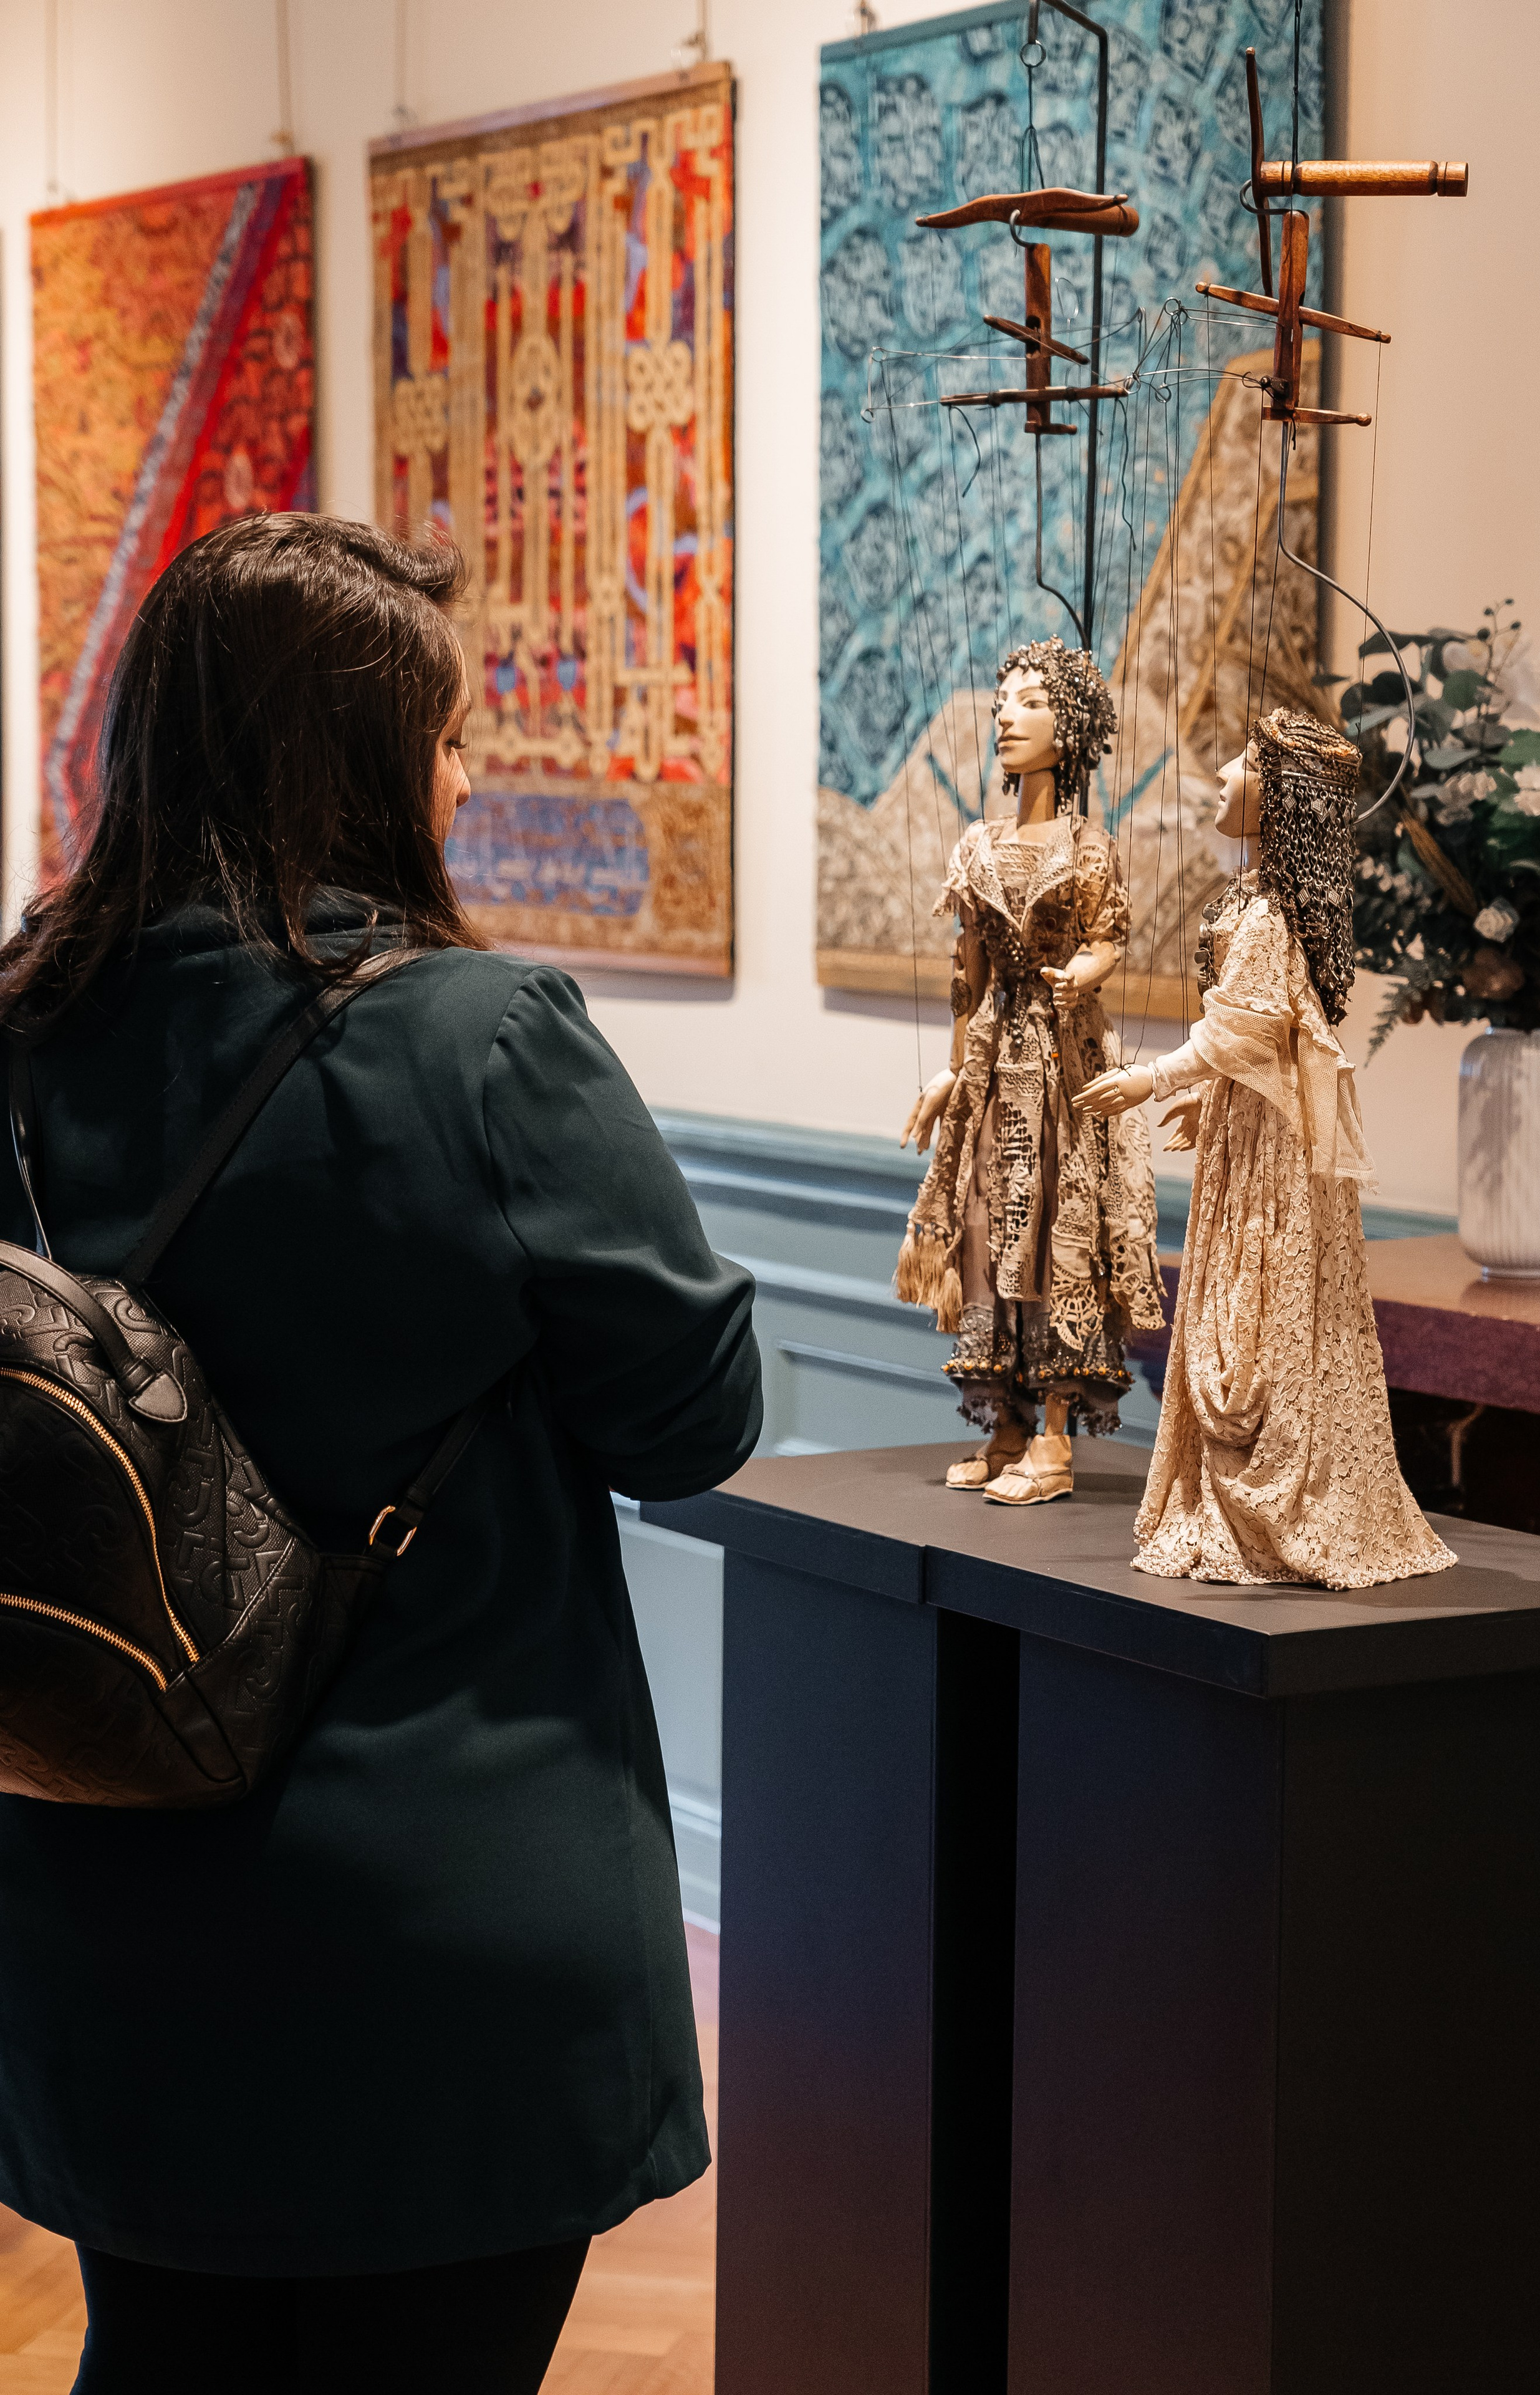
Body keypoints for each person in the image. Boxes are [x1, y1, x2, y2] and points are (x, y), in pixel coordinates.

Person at [0, 513, 762, 2391]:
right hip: (437, 1919)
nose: (469, 765)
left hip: (107, 1894)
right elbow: (693, 1420)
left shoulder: (21, 1038)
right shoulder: (483, 1043)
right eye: (443, 727)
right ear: (349, 758)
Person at [1077, 709, 1454, 1590]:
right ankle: (1228, 1497)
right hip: (1251, 1135)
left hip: (1275, 1159)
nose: (1221, 778)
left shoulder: (1271, 917)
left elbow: (1244, 1031)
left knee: (1260, 1304)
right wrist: (1212, 1102)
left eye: (1243, 764)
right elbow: (1269, 1039)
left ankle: (1281, 1500)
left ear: (1282, 799)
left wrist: (1154, 1080)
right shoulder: (1255, 906)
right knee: (1236, 1299)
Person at [896, 637, 1165, 1505]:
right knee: (983, 1225)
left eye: (1031, 702)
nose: (1007, 715)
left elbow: (1109, 936)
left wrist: (1089, 969)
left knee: (1056, 1224)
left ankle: (1053, 1432)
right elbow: (964, 980)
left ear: (1072, 726)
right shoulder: (977, 848)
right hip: (993, 1064)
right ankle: (1005, 1420)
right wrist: (947, 1081)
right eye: (1002, 701)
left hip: (1062, 1067)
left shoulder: (1089, 847)